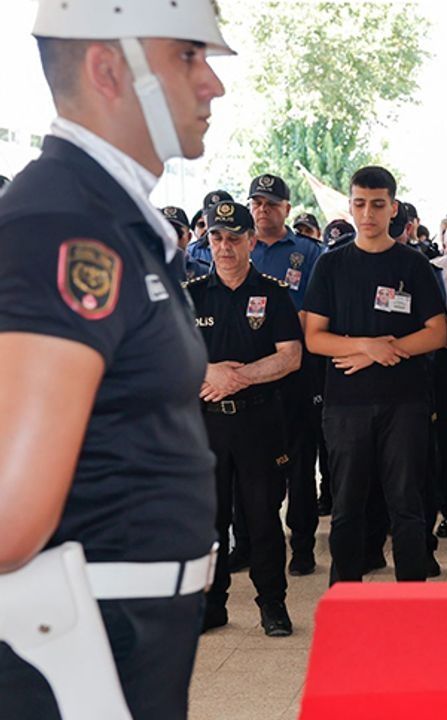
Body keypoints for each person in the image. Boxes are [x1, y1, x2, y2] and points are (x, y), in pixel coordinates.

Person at [0, 2, 229, 716]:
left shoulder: (112, 218)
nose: (212, 84)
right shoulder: (66, 226)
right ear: (107, 69)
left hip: (127, 636)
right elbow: (9, 515)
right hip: (77, 649)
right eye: (188, 55)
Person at [303, 166, 447, 584]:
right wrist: (367, 347)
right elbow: (314, 338)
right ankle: (346, 596)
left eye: (378, 204)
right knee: (347, 505)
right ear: (350, 207)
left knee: (407, 502)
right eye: (361, 203)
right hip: (346, 405)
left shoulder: (414, 264)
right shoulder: (331, 265)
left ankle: (411, 597)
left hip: (405, 401)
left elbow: (438, 333)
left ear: (393, 208)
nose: (368, 213)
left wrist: (388, 350)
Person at [185, 201, 301, 636]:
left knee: (262, 518)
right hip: (206, 427)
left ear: (252, 240)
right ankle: (212, 604)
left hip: (258, 423)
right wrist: (209, 373)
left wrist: (239, 378)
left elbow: (290, 358)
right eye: (217, 237)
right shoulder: (192, 293)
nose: (225, 246)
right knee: (209, 520)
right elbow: (169, 357)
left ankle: (273, 604)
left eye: (234, 238)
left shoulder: (273, 293)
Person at [243, 173, 325, 577]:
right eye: (256, 203)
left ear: (287, 209)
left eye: (271, 203)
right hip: (248, 376)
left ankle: (304, 544)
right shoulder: (242, 247)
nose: (263, 209)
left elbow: (312, 314)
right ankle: (249, 543)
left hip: (296, 374)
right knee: (251, 464)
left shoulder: (309, 253)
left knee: (299, 464)